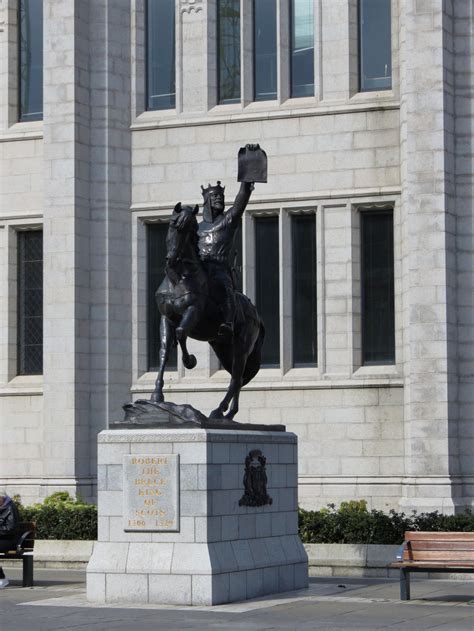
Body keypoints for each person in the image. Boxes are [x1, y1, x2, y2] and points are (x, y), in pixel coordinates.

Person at [197, 179, 254, 337]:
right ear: (207, 200)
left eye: (221, 197)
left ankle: (228, 322)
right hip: (201, 269)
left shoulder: (228, 220)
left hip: (219, 269)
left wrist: (246, 184)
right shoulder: (197, 228)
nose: (219, 199)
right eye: (215, 196)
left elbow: (239, 202)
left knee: (225, 287)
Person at [0, 492, 20, 588]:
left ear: (2, 498)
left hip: (9, 540)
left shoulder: (10, 508)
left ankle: (2, 578)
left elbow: (11, 528)